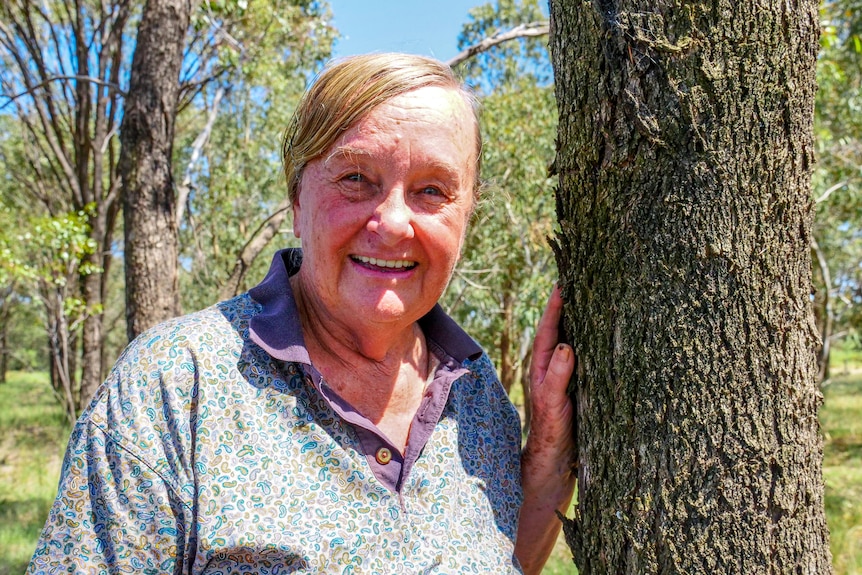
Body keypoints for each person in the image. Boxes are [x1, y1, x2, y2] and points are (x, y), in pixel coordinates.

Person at [27, 53, 576, 574]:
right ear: (296, 200)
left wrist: (549, 448)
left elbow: (504, 558)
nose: (391, 222)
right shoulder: (176, 384)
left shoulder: (475, 394)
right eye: (356, 179)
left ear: (466, 215)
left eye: (432, 190)